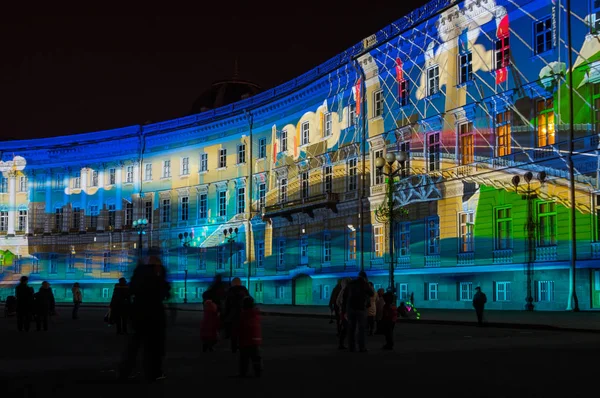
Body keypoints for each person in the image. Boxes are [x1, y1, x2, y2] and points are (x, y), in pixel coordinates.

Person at [118, 253, 171, 382]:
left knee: (135, 345)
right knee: (154, 346)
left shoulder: (139, 274)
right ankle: (154, 372)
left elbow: (131, 290)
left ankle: (126, 371)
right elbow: (164, 291)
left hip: (138, 313)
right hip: (154, 314)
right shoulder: (157, 275)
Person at [344, 271, 374, 352]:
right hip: (360, 308)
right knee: (361, 328)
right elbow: (371, 294)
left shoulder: (351, 283)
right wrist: (367, 284)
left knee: (351, 328)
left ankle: (351, 347)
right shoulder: (365, 284)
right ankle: (361, 347)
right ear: (365, 277)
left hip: (350, 308)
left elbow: (345, 296)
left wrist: (344, 310)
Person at [238, 296, 262, 377]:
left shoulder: (243, 314)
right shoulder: (256, 313)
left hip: (245, 340)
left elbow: (240, 327)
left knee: (244, 358)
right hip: (256, 339)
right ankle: (258, 371)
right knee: (256, 357)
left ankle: (243, 372)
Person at [224, 277, 249, 353]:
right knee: (242, 332)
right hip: (243, 314)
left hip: (233, 315)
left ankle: (234, 347)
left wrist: (225, 315)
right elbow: (249, 301)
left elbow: (227, 304)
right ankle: (242, 346)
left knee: (234, 332)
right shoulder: (244, 290)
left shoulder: (230, 291)